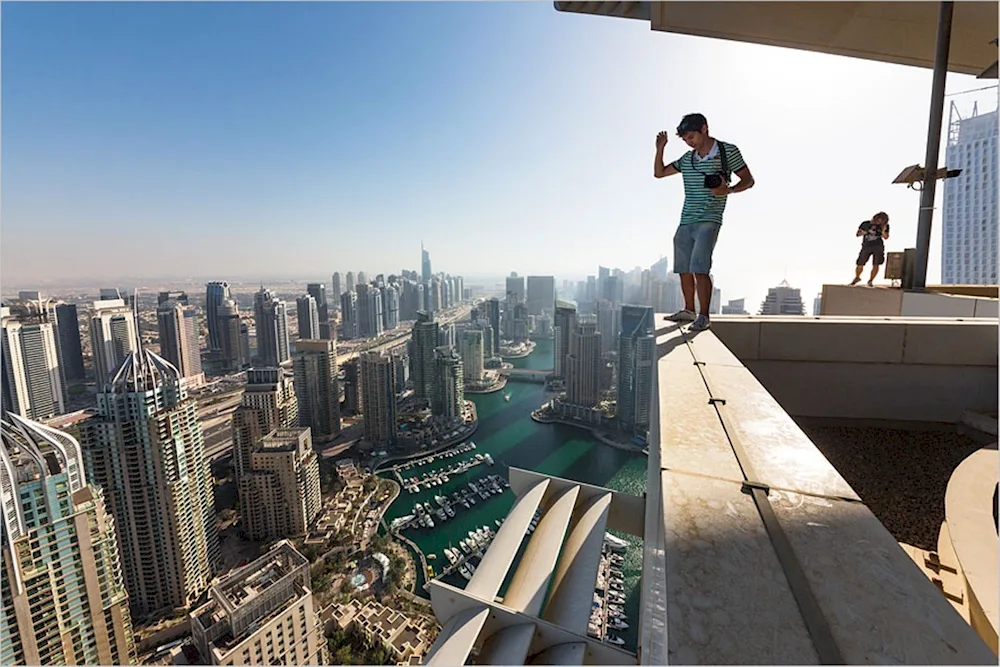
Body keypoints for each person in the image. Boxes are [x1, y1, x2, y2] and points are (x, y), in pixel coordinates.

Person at [654, 113, 754, 331]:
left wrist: (728, 190)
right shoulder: (687, 160)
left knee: (700, 266)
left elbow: (748, 180)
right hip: (686, 219)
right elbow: (659, 173)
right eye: (685, 139)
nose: (689, 142)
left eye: (691, 136)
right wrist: (660, 148)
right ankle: (689, 310)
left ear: (704, 128)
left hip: (710, 218)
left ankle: (704, 316)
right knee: (683, 268)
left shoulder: (728, 152)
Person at [851, 212, 890, 286]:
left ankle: (871, 280)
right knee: (860, 263)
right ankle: (857, 277)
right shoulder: (866, 224)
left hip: (878, 246)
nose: (880, 221)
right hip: (866, 245)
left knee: (876, 263)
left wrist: (883, 231)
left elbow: (886, 237)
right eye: (879, 219)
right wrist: (865, 232)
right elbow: (857, 234)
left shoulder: (885, 226)